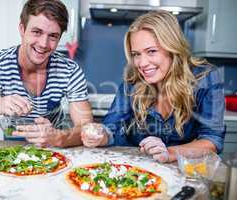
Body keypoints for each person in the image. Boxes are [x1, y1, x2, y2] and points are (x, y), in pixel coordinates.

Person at [81, 10, 225, 163]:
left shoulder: (205, 77)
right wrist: (99, 135)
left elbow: (212, 140)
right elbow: (112, 127)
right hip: (138, 171)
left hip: (185, 171)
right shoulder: (132, 83)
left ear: (172, 48)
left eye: (151, 51)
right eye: (136, 54)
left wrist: (169, 153)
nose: (142, 64)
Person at [0, 0, 93, 147]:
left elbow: (88, 129)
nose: (43, 44)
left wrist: (59, 137)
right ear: (22, 29)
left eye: (53, 36)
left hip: (55, 146)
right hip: (13, 147)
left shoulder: (70, 70)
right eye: (37, 32)